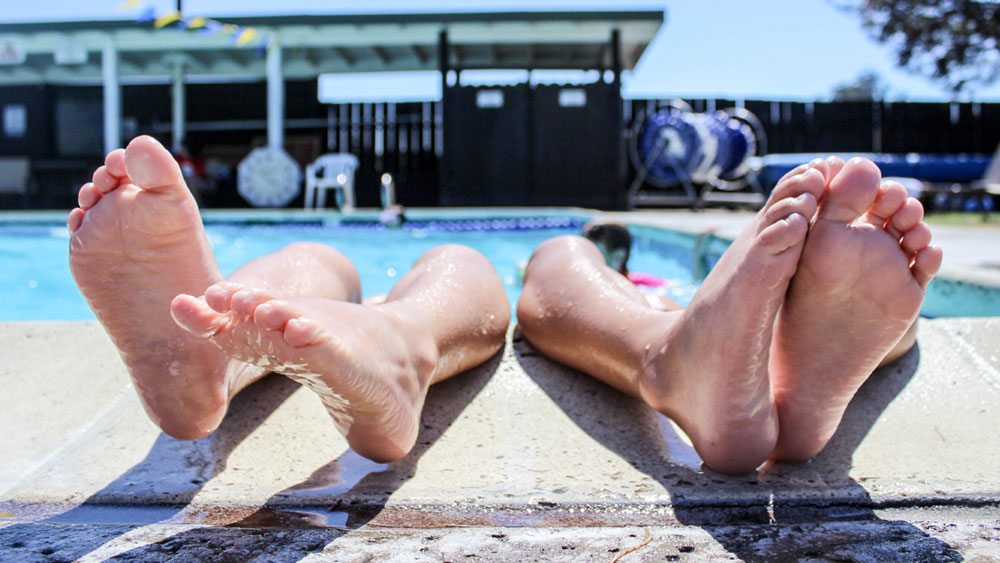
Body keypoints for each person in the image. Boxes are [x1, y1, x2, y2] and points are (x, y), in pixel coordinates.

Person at [68, 136, 510, 463]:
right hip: (373, 321)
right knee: (461, 260)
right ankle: (400, 346)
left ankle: (213, 333)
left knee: (314, 259)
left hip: (338, 317)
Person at [517, 156, 942, 473]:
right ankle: (770, 364)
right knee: (890, 318)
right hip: (688, 310)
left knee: (560, 252)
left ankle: (672, 362)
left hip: (667, 317)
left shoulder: (619, 283)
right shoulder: (653, 285)